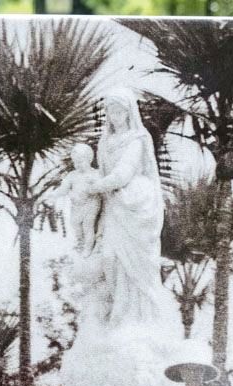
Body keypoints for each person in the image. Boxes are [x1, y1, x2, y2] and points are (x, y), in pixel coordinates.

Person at [81, 88, 165, 328]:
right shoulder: (105, 141)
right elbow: (105, 173)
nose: (115, 115)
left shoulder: (136, 139)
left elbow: (123, 173)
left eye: (120, 111)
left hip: (135, 204)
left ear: (129, 113)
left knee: (132, 263)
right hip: (113, 205)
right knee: (108, 257)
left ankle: (132, 316)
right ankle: (116, 309)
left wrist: (95, 186)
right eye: (111, 110)